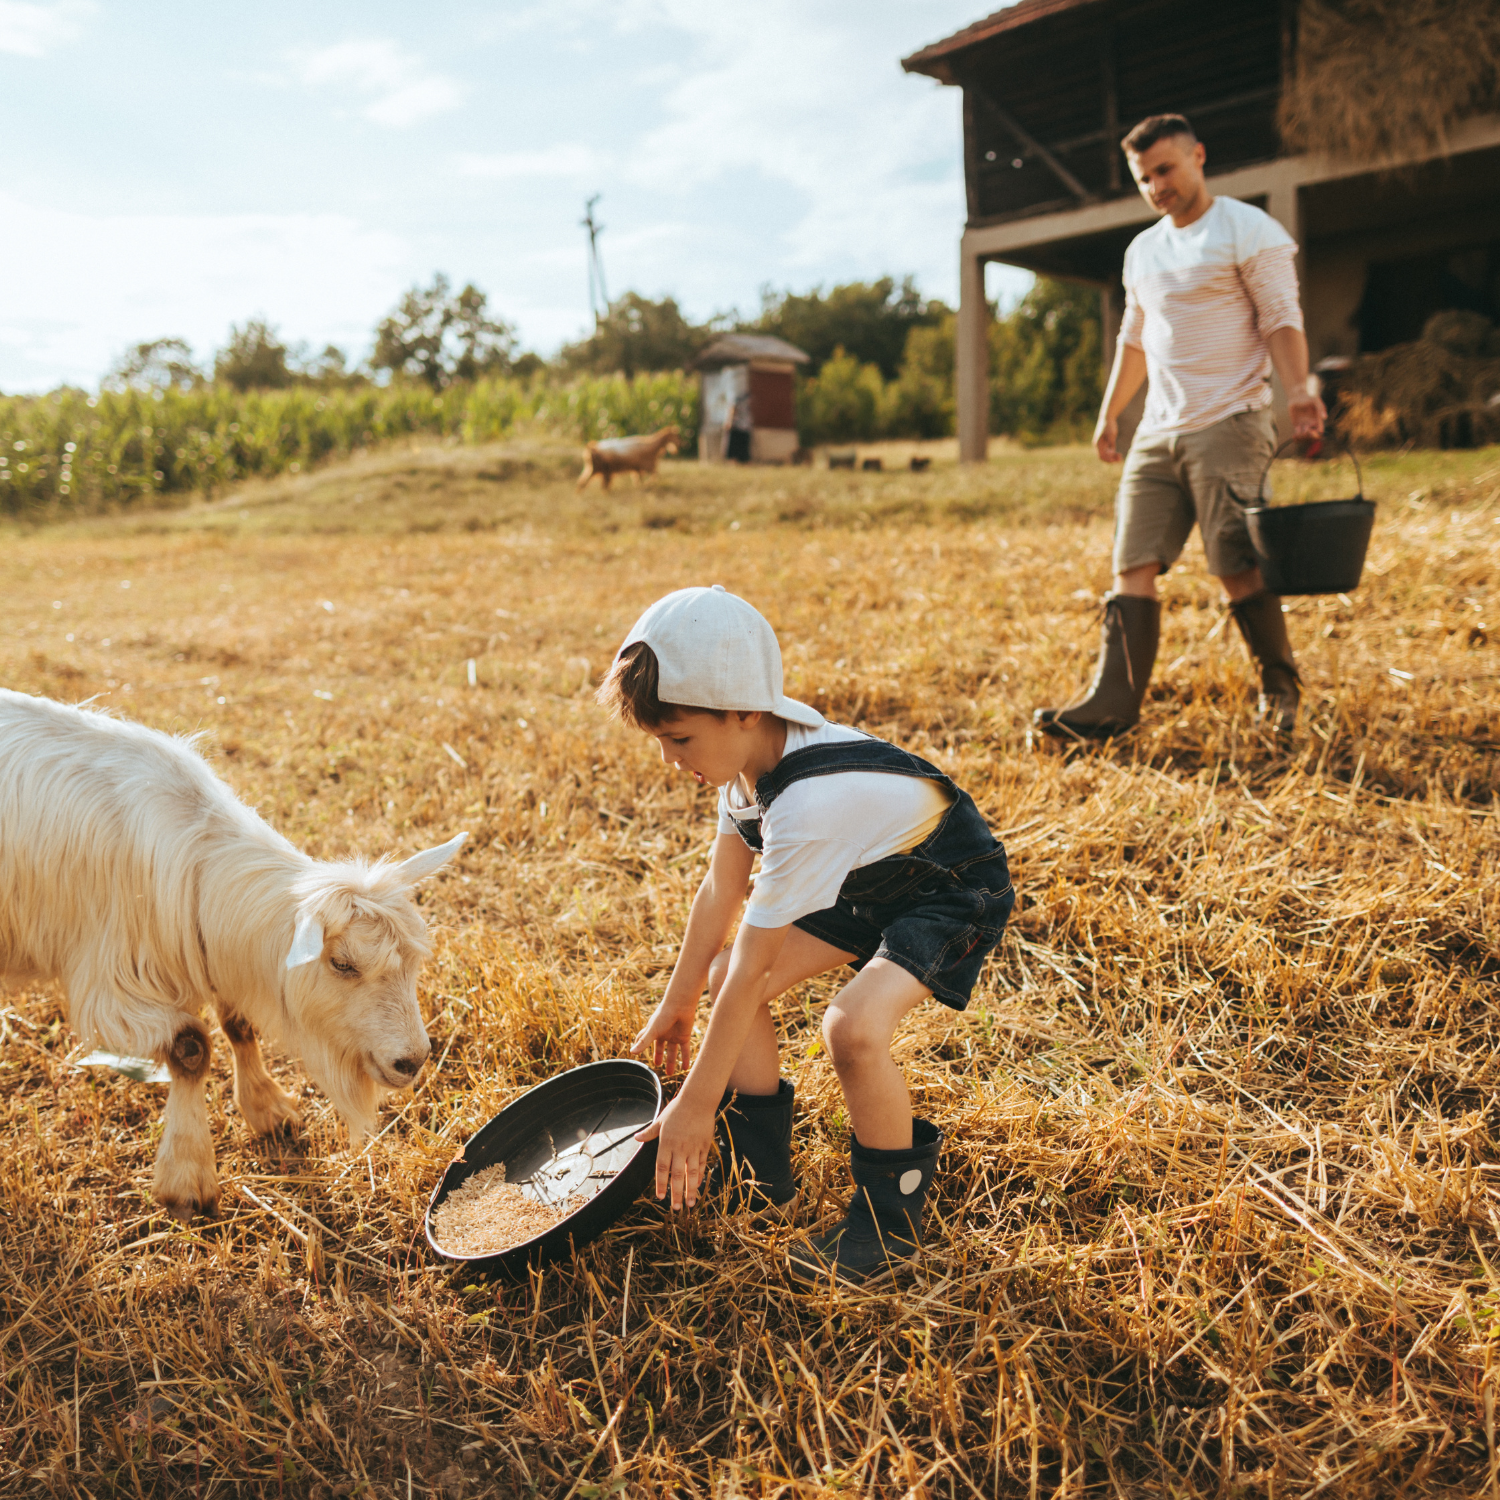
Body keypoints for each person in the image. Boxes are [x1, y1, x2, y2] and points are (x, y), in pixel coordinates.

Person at [596, 585, 1014, 1285]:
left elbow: (758, 968)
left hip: (948, 889)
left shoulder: (808, 806)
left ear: (744, 711)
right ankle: (762, 1178)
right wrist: (678, 1000)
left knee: (851, 1027)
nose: (670, 759)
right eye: (661, 740)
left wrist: (697, 1105)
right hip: (863, 878)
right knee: (728, 969)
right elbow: (719, 891)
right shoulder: (743, 770)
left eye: (679, 738)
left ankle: (890, 1225)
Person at [1035, 113, 1327, 740]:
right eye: (1145, 178)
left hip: (1231, 421)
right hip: (1157, 433)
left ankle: (1281, 691)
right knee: (1131, 562)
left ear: (1198, 156)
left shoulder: (1248, 229)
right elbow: (1133, 338)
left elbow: (1281, 316)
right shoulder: (1143, 250)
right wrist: (1111, 412)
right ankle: (1111, 705)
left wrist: (1299, 392)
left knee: (1235, 565)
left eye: (1165, 169)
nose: (1157, 186)